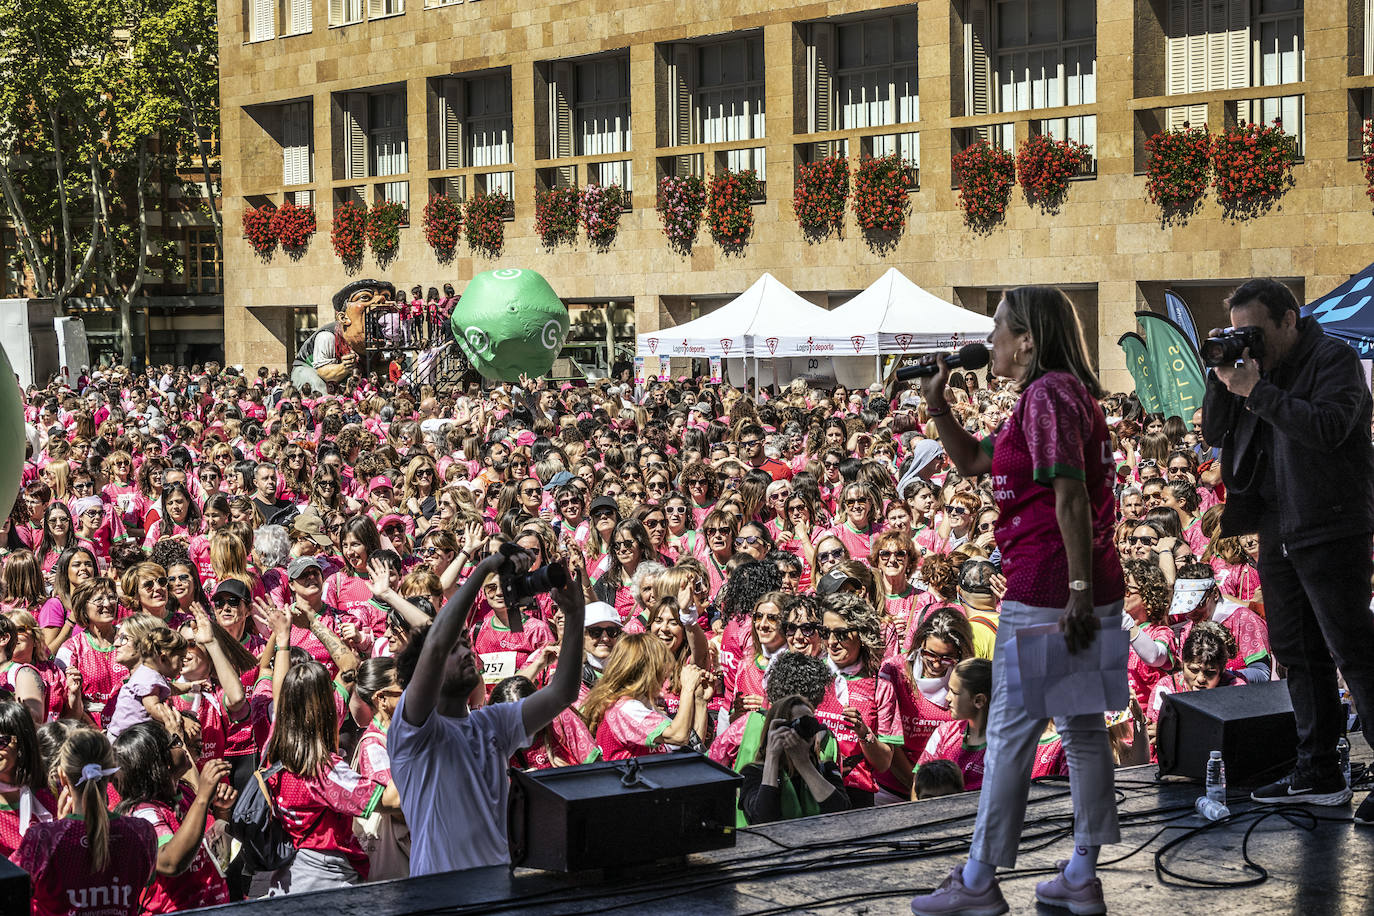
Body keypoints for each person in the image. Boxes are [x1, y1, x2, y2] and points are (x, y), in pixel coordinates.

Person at [910, 286, 1124, 916]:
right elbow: (977, 461)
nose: (991, 338)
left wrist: (1077, 592)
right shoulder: (1045, 396)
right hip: (1074, 590)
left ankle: (977, 882)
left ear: (1028, 338)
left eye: (999, 326)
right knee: (1083, 730)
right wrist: (938, 404)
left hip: (1049, 592)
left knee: (1008, 734)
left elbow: (1071, 497)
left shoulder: (1050, 395)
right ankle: (1082, 874)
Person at [1203, 278, 1374, 816]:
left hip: (1331, 522)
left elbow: (1327, 428)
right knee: (1297, 652)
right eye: (1236, 333)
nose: (1246, 342)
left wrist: (1258, 391)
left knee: (1355, 652)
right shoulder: (1257, 370)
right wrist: (1221, 377)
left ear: (1288, 320)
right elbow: (1214, 430)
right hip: (1278, 525)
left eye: (1253, 331)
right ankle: (1318, 766)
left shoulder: (1334, 359)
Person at [388, 543, 587, 876]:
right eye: (455, 649)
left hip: (498, 889)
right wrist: (484, 570)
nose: (466, 651)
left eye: (467, 643)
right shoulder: (414, 732)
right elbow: (435, 644)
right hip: (439, 895)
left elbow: (562, 692)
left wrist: (576, 614)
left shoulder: (492, 724)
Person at [12, 728, 157, 916]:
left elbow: (12, 887)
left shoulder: (44, 838)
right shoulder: (142, 832)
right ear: (111, 773)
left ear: (62, 776)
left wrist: (60, 829)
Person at [737, 695, 849, 824]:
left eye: (810, 722)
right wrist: (772, 756)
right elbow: (762, 818)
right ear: (778, 729)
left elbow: (842, 812)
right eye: (800, 724)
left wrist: (804, 764)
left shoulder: (826, 769)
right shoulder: (753, 773)